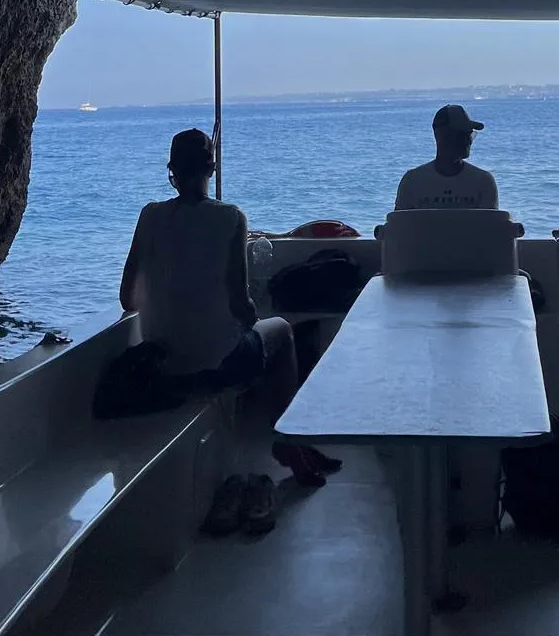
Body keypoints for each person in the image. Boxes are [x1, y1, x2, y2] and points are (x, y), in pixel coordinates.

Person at [119, 128, 339, 489]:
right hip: (212, 367)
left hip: (164, 365)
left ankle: (292, 445)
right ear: (212, 168)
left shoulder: (149, 216)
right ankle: (289, 442)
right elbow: (241, 306)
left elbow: (127, 299)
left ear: (172, 169)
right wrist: (248, 315)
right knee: (281, 332)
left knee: (252, 343)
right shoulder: (231, 218)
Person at [393, 104, 499, 210]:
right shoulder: (412, 182)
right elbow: (399, 220)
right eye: (462, 134)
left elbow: (492, 220)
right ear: (441, 135)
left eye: (470, 135)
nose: (468, 140)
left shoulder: (483, 182)